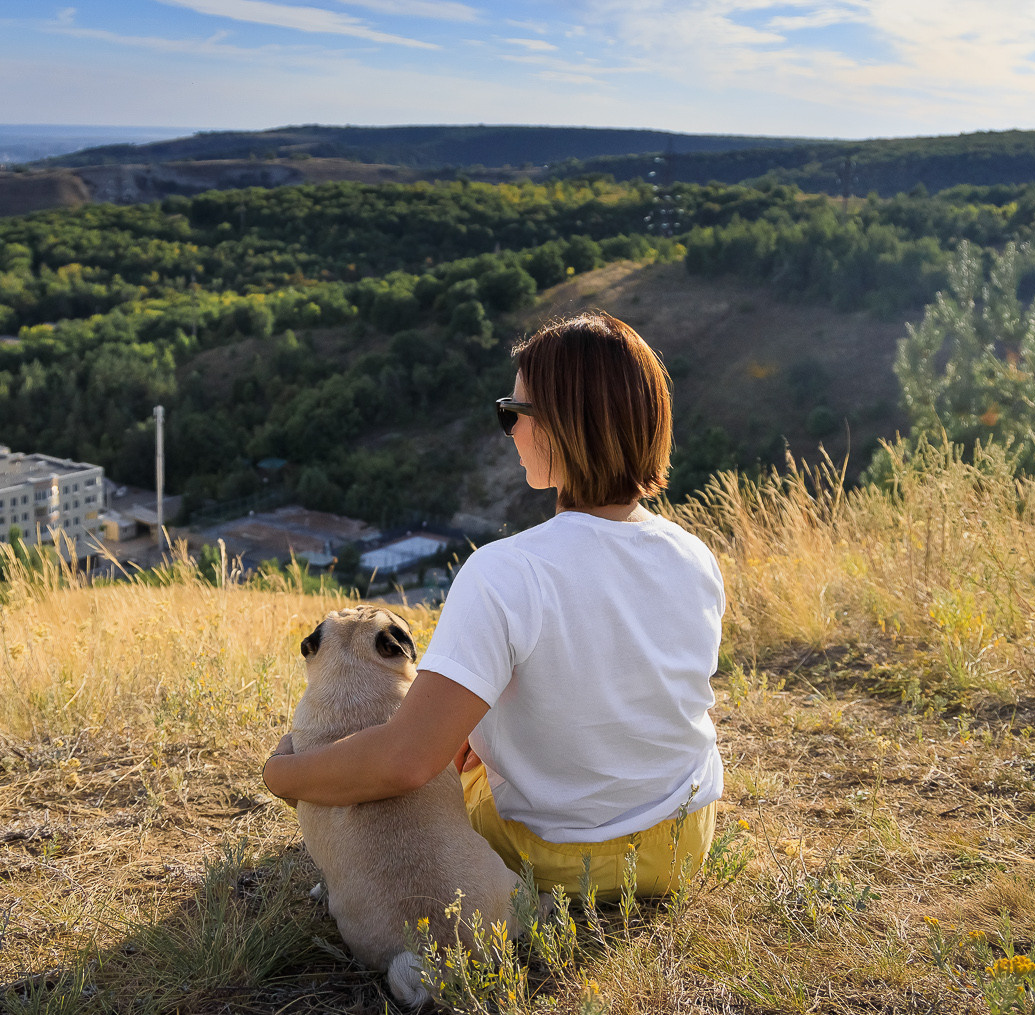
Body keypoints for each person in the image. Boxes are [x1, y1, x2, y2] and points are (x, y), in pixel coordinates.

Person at [262, 310, 724, 897]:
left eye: (515, 414)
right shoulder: (694, 555)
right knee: (472, 740)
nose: (509, 431)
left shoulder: (507, 571)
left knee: (448, 768)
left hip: (559, 859)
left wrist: (288, 774)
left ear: (560, 426)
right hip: (682, 843)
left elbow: (406, 761)